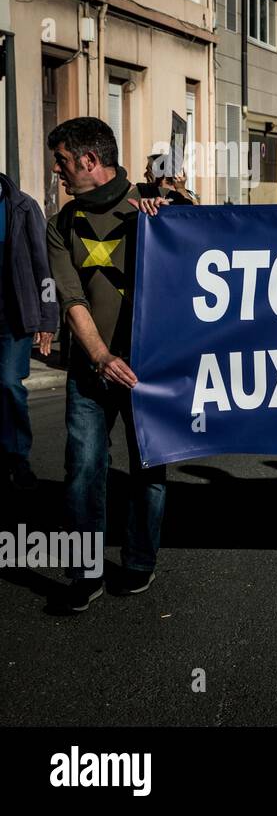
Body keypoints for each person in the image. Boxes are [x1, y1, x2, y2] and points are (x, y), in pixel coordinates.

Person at [44, 117, 170, 612]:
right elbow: (72, 300)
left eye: (62, 161)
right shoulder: (62, 225)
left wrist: (168, 222)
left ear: (90, 161)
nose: (57, 171)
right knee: (83, 470)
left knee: (149, 467)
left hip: (152, 369)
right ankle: (83, 571)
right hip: (92, 369)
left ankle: (139, 560)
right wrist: (100, 357)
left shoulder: (153, 207)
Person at [0, 170, 58, 491]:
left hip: (14, 319)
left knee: (9, 383)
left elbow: (43, 266)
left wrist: (48, 318)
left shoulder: (22, 206)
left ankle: (18, 455)